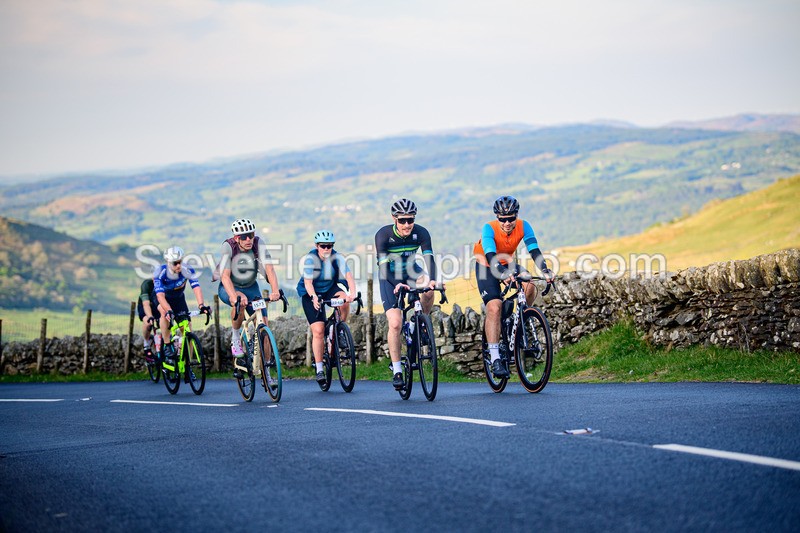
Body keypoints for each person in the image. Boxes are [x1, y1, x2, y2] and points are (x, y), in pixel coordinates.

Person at [473, 195, 555, 378]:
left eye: (511, 218)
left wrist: (545, 270)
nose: (507, 222)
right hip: (487, 264)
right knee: (494, 306)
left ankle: (520, 320)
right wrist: (503, 274)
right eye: (503, 219)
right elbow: (491, 256)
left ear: (516, 215)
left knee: (530, 285)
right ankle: (495, 357)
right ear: (497, 217)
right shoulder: (489, 228)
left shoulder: (524, 226)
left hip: (508, 262)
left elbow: (534, 250)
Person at [374, 198, 439, 390]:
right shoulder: (383, 235)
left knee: (427, 290)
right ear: (394, 219)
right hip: (390, 277)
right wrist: (398, 284)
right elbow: (384, 269)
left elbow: (429, 258)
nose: (407, 225)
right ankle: (396, 370)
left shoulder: (421, 232)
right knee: (395, 323)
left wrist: (432, 279)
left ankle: (421, 324)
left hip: (412, 271)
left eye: (410, 220)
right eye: (402, 220)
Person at [297, 230, 357, 384]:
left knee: (344, 301)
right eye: (323, 246)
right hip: (311, 292)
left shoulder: (337, 257)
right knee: (318, 331)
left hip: (329, 289)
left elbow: (349, 276)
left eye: (329, 246)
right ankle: (319, 369)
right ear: (317, 246)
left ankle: (338, 329)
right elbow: (308, 283)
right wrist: (313, 297)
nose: (326, 249)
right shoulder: (311, 259)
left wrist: (352, 293)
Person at [216, 218, 281, 359]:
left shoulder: (258, 243)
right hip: (230, 287)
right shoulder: (228, 247)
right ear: (236, 238)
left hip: (252, 287)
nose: (248, 240)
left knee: (264, 325)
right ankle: (235, 338)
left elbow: (269, 268)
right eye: (244, 237)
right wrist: (234, 297)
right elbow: (225, 277)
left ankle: (267, 371)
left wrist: (275, 290)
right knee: (240, 301)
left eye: (251, 235)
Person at [154, 246, 210, 364]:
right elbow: (160, 296)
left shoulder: (187, 270)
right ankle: (168, 344)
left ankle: (187, 364)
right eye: (175, 263)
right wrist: (169, 310)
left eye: (180, 262)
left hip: (178, 299)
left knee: (187, 329)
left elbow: (196, 287)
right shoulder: (161, 272)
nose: (178, 265)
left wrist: (201, 305)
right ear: (168, 263)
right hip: (162, 298)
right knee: (164, 313)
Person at [136, 278, 160, 360]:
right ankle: (146, 343)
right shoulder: (146, 285)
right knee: (148, 322)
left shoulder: (165, 284)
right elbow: (146, 304)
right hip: (145, 305)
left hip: (157, 306)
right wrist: (150, 316)